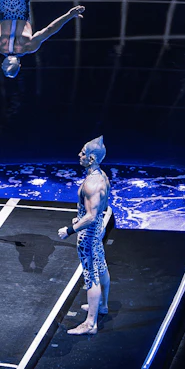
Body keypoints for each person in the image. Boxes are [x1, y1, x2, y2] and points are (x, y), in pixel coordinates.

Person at [59, 136, 111, 335]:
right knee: (101, 265)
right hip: (96, 230)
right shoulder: (102, 176)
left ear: (91, 158)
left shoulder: (92, 184)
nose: (78, 155)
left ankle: (90, 324)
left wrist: (70, 230)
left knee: (91, 276)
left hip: (88, 234)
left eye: (82, 153)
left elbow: (91, 216)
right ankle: (102, 305)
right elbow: (103, 208)